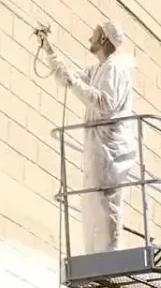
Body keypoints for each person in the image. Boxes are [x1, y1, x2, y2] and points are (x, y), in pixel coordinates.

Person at [38, 20, 136, 254]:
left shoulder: (114, 68)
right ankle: (96, 254)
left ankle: (108, 254)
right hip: (98, 147)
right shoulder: (100, 69)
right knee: (92, 204)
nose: (90, 37)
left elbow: (105, 103)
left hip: (110, 151)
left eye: (94, 33)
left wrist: (74, 83)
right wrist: (48, 49)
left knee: (105, 203)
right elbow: (72, 77)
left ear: (103, 38)